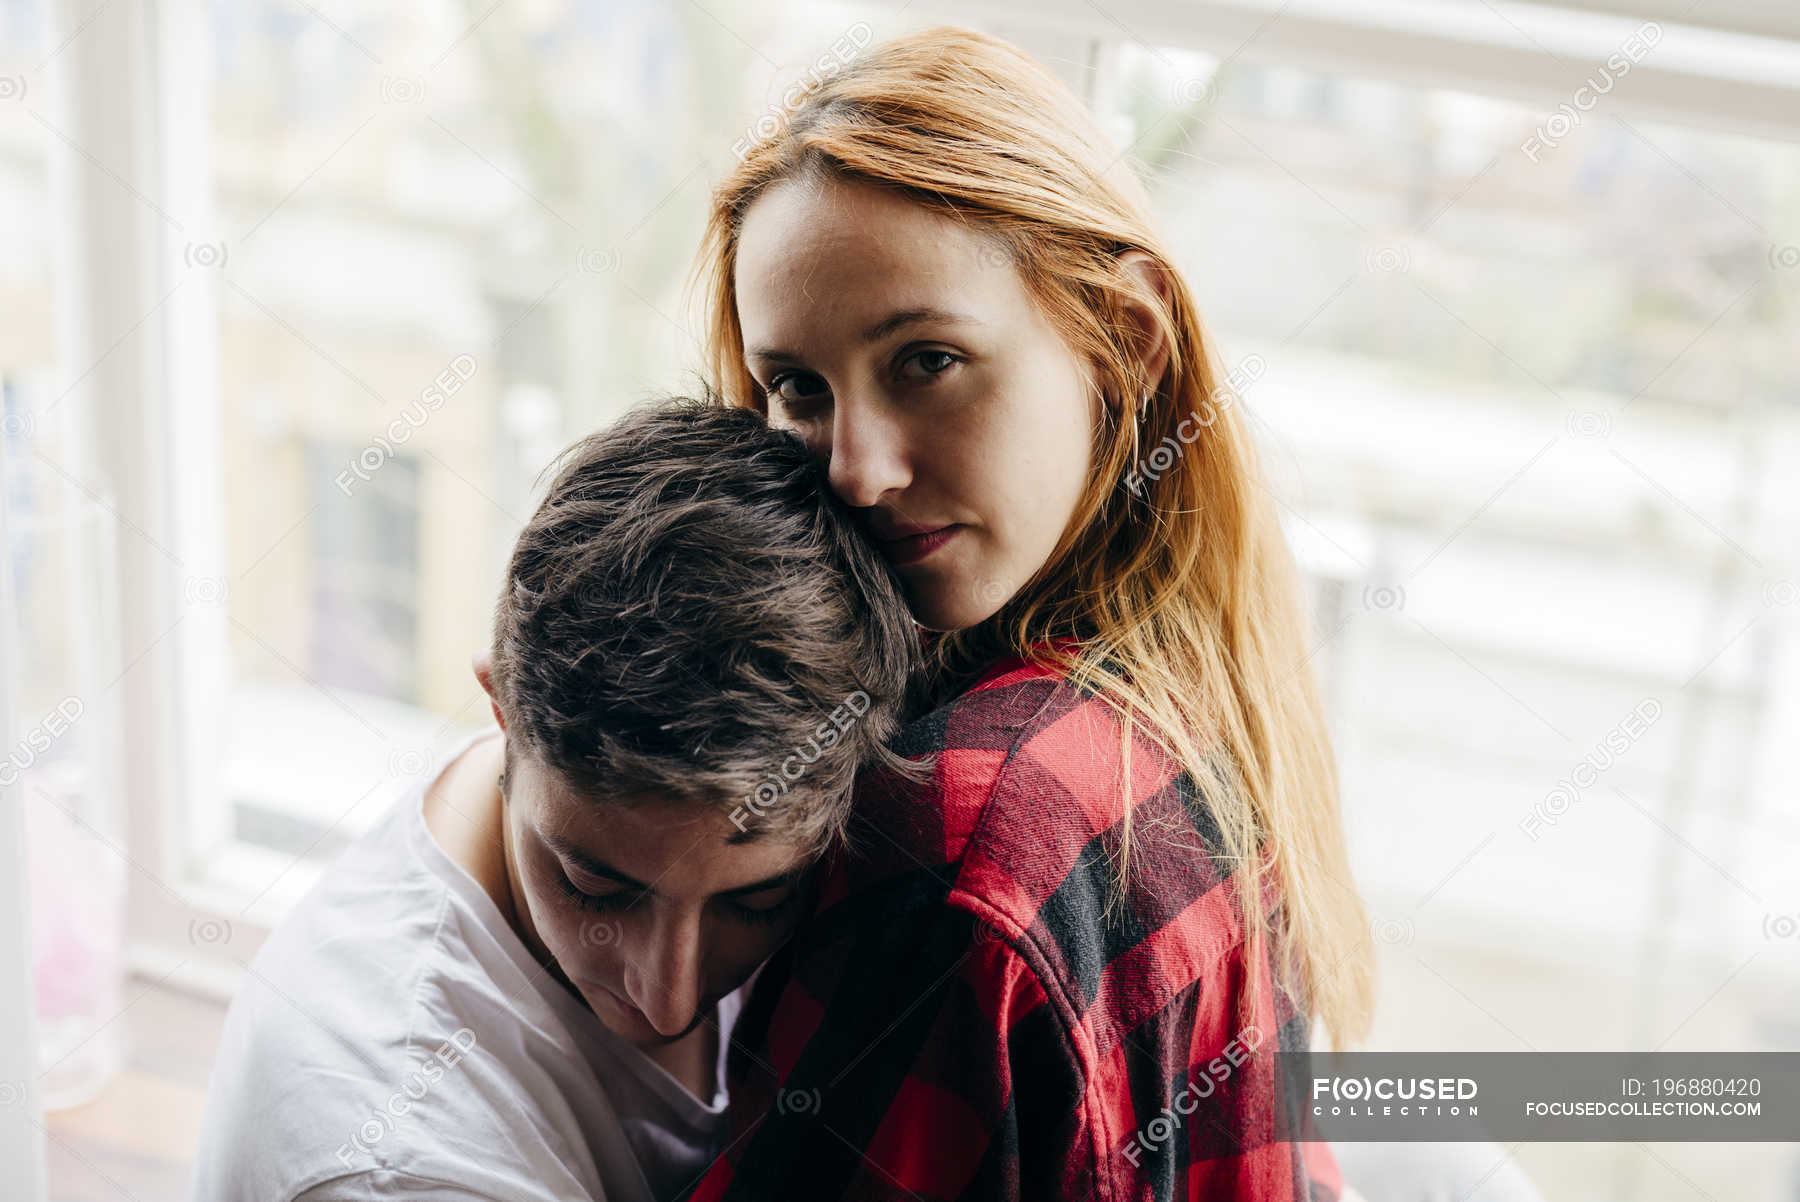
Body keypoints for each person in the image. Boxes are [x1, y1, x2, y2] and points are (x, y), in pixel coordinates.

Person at [680, 24, 1378, 1201]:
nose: (855, 468)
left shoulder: (958, 837)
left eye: (927, 360)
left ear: (1124, 343)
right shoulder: (1201, 685)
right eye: (797, 386)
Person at [189, 398, 929, 1202]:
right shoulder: (404, 1165)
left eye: (755, 900)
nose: (668, 996)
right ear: (502, 711)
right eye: (596, 887)